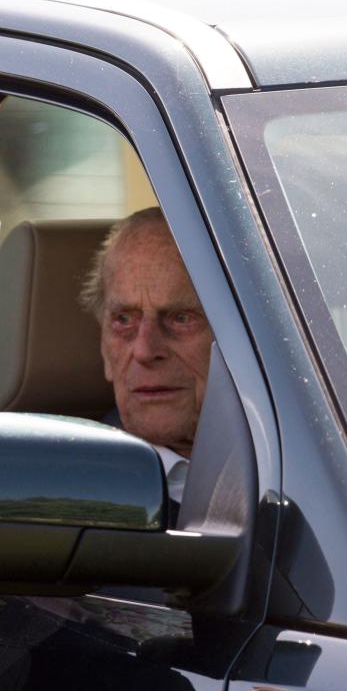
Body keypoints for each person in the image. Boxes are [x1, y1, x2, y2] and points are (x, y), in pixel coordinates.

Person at [80, 207, 214, 506]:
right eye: (124, 320)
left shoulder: (314, 462)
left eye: (181, 318)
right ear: (104, 350)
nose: (144, 350)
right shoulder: (74, 492)